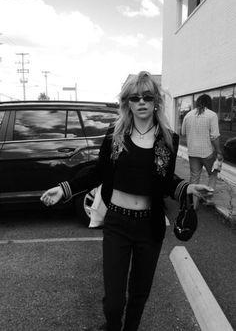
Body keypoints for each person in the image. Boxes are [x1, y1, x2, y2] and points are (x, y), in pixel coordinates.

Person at [41, 72, 213, 331]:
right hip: (117, 224)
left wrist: (187, 188)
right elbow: (97, 172)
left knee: (139, 294)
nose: (141, 102)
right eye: (135, 97)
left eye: (147, 96)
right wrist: (64, 189)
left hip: (149, 227)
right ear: (127, 102)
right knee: (113, 301)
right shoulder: (115, 134)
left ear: (156, 101)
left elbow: (165, 181)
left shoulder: (168, 139)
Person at [181, 94, 223, 209]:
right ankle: (209, 198)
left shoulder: (188, 115)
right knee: (213, 173)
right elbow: (215, 136)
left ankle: (193, 206)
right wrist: (219, 152)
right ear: (209, 103)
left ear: (197, 102)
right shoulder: (212, 115)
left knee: (194, 178)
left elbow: (183, 133)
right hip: (207, 153)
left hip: (192, 152)